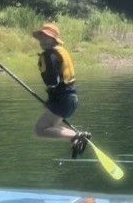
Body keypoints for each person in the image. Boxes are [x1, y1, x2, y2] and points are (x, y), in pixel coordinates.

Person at [32, 23, 90, 159]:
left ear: (53, 39)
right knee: (49, 128)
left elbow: (53, 82)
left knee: (40, 131)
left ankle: (77, 136)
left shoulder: (50, 55)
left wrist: (52, 101)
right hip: (69, 99)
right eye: (41, 36)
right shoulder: (60, 51)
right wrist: (50, 102)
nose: (42, 40)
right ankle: (76, 138)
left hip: (63, 100)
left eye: (45, 37)